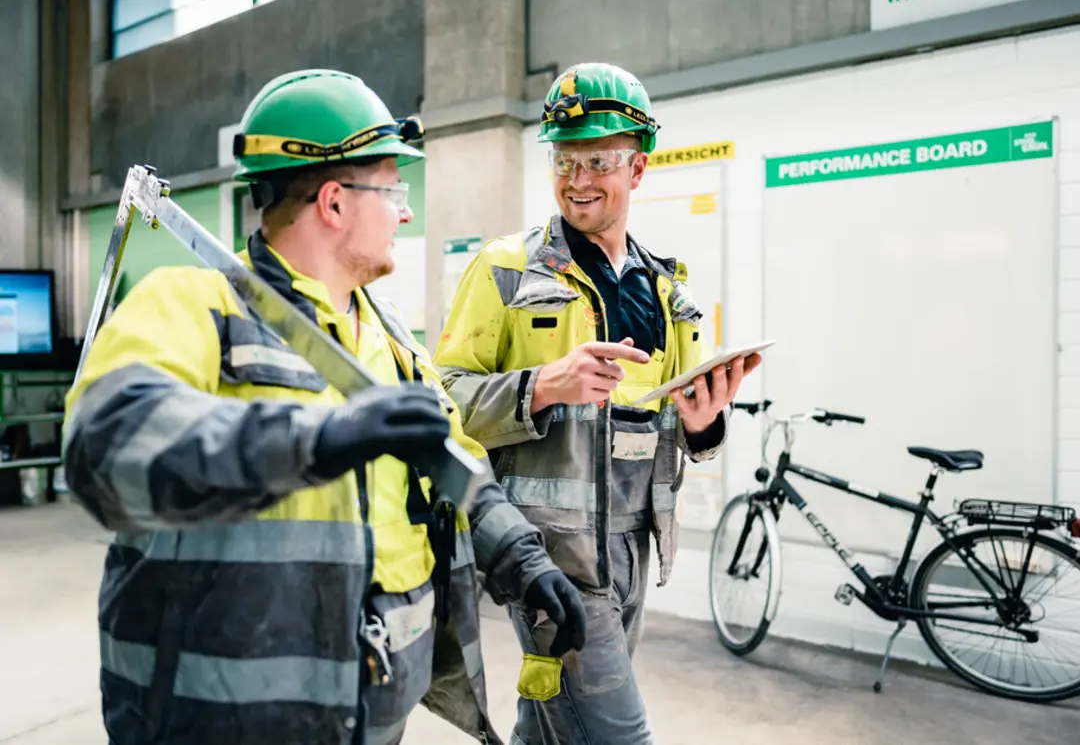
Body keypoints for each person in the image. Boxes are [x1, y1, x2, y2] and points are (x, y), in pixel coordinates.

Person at [62, 69, 587, 745]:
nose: (406, 211)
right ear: (335, 202)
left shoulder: (392, 339)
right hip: (224, 719)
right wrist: (314, 436)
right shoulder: (196, 304)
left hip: (367, 712)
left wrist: (524, 560)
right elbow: (107, 442)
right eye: (394, 190)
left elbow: (454, 464)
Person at [433, 62, 761, 744]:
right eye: (564, 159)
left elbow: (674, 420)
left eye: (598, 161)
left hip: (630, 554)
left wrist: (702, 426)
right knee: (617, 736)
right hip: (547, 555)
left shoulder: (667, 290)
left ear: (637, 170)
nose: (577, 179)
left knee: (553, 727)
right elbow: (441, 405)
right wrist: (541, 386)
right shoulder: (505, 270)